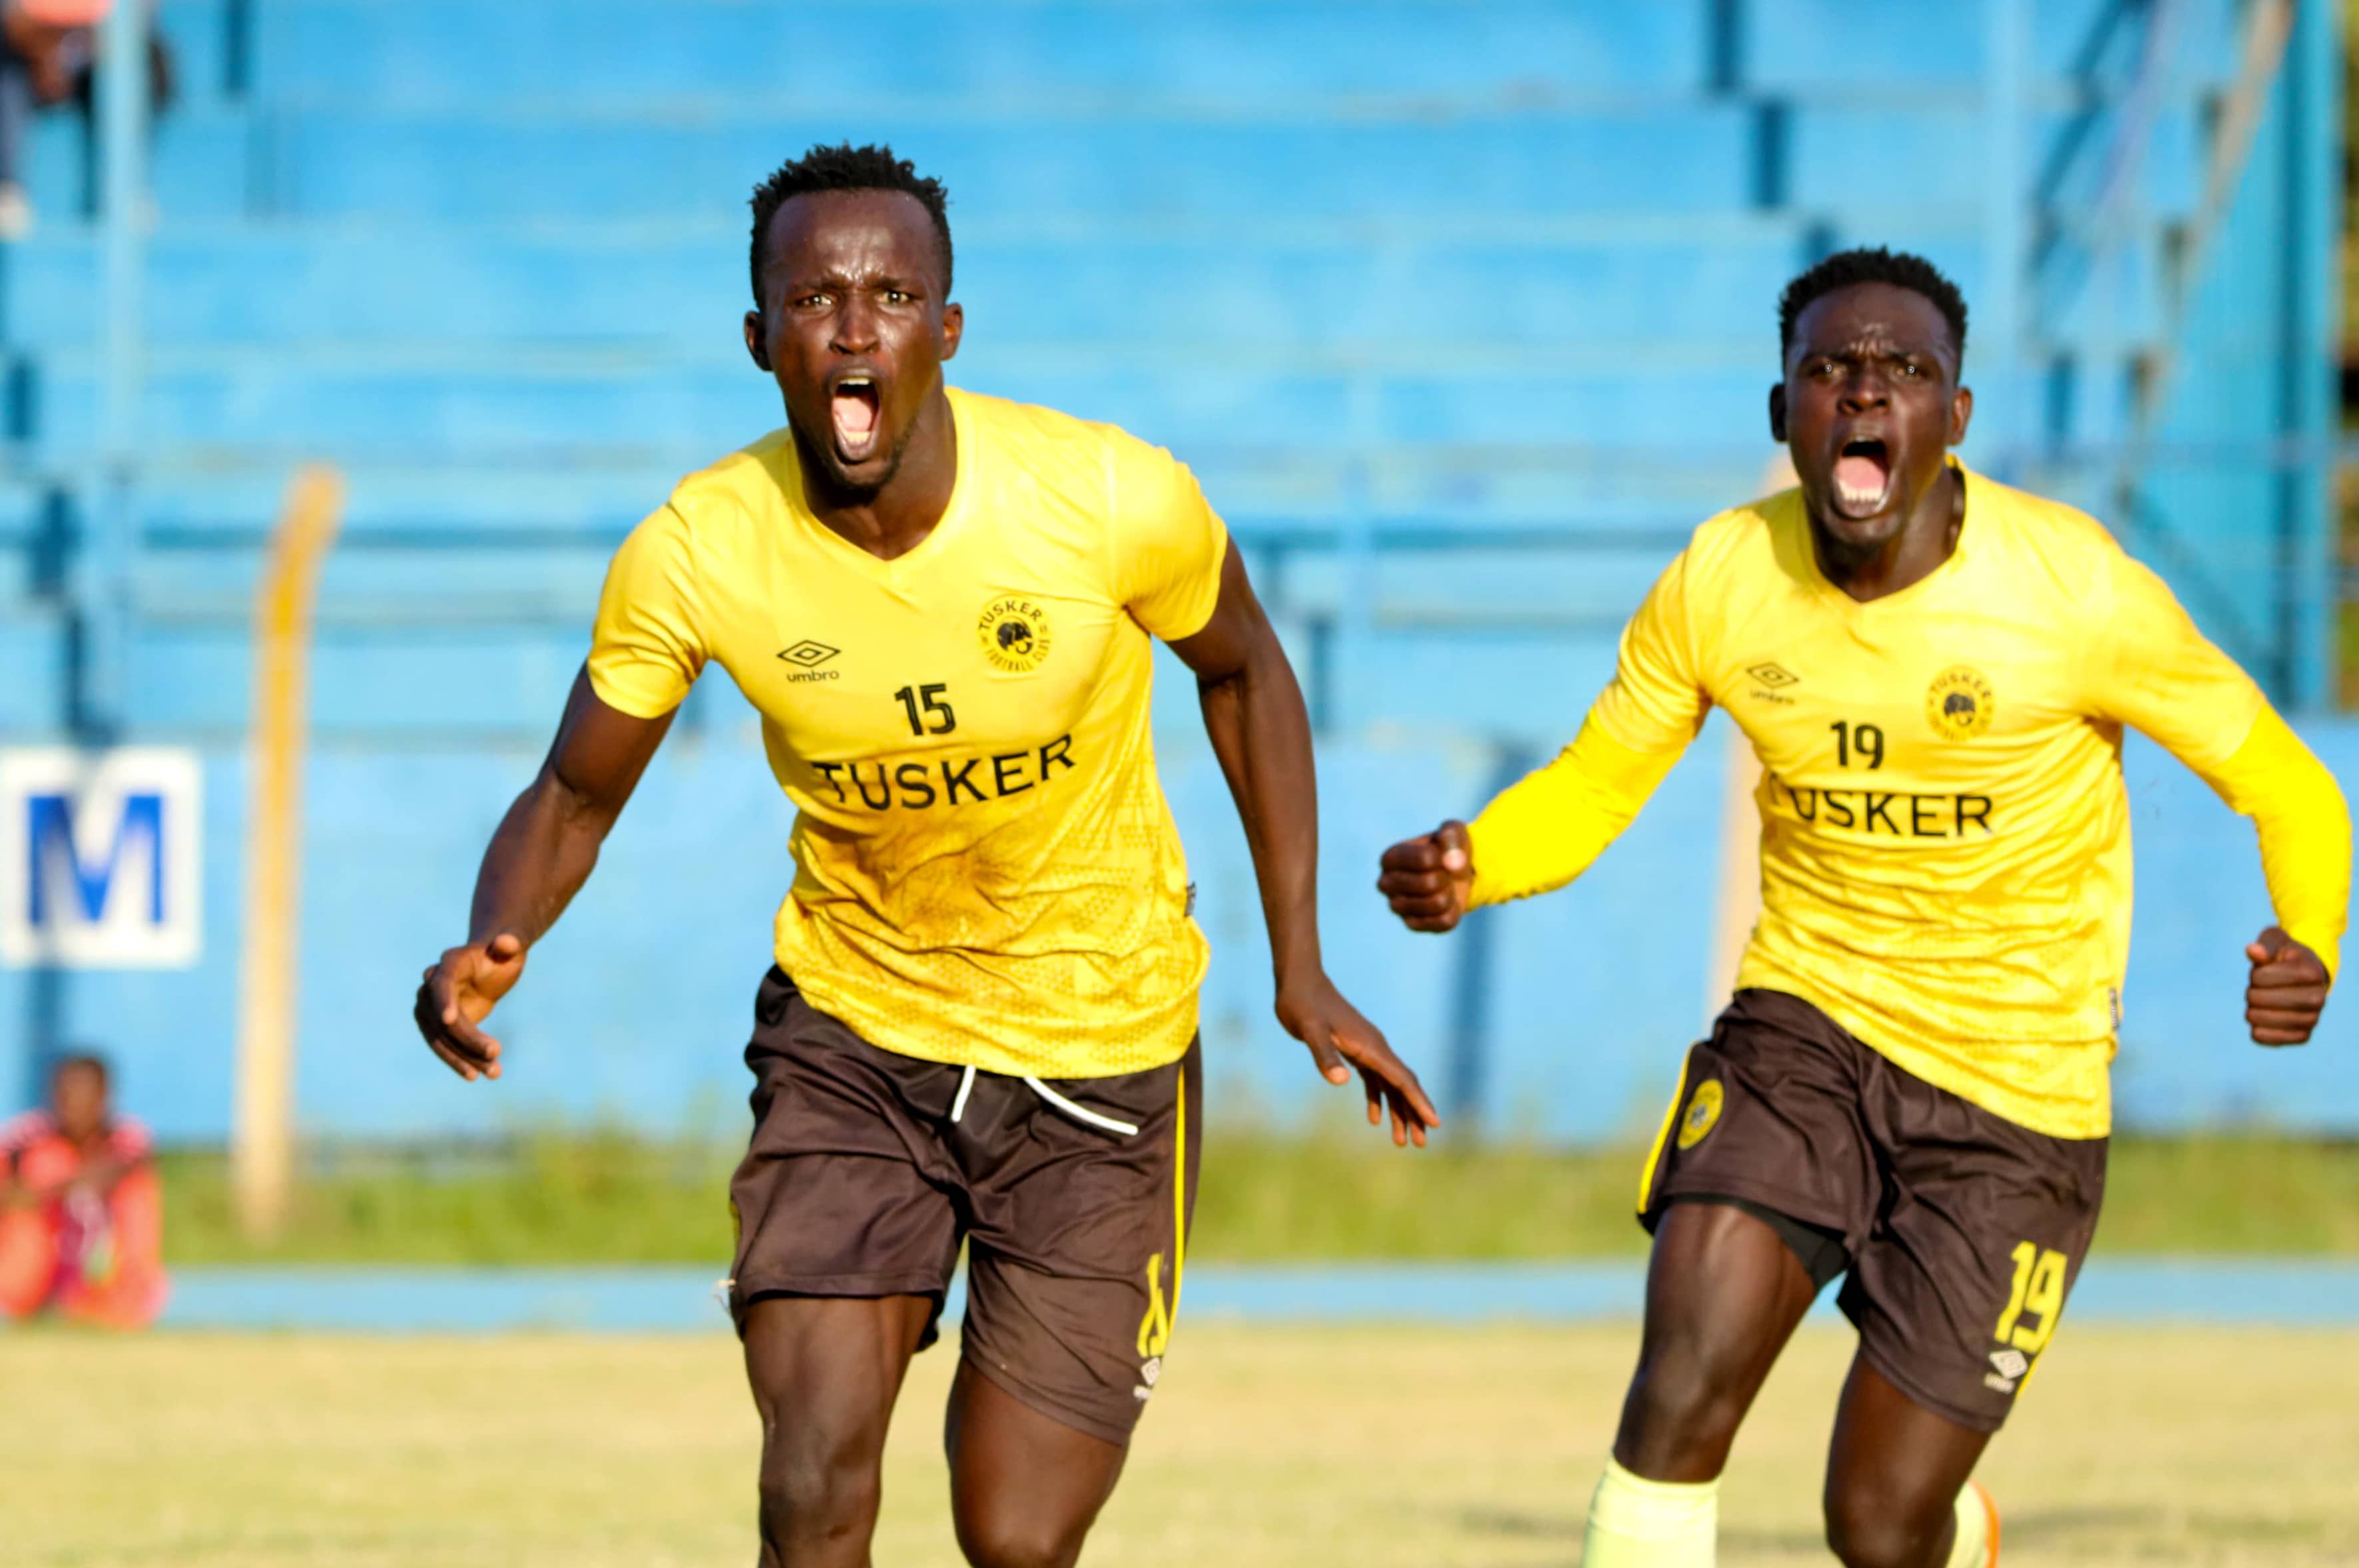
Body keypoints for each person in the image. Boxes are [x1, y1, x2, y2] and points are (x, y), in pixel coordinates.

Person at [413, 141, 1437, 1568]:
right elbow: (572, 794)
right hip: (858, 1038)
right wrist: (492, 934)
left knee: (1015, 1534)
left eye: (891, 292)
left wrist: (1302, 966)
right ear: (759, 335)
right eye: (814, 295)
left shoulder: (1105, 497)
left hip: (1101, 1054)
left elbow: (1247, 669)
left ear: (946, 329)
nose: (851, 325)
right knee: (812, 1478)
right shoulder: (699, 549)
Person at [1376, 246, 2349, 1568]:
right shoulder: (1722, 576)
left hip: (2017, 1090)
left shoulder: (2072, 590)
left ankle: (1947, 1524)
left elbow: (2288, 783)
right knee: (1680, 1375)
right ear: (1782, 414)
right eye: (1828, 369)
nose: (1862, 391)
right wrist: (1471, 860)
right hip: (1807, 1027)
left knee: (1880, 1526)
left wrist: (2308, 936)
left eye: (1902, 370)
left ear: (1954, 417)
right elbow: (1598, 779)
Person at [0, 1052, 168, 1328]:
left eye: (84, 1097)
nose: (74, 1108)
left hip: (97, 1262)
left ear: (104, 1096)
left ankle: (122, 1295)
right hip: (38, 1259)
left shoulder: (127, 1135)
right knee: (41, 1166)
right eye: (66, 1097)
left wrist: (38, 1193)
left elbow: (109, 1173)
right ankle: (20, 1294)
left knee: (136, 1190)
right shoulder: (27, 1136)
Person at [0, 0, 172, 241]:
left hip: (100, 52)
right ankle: (8, 190)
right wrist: (44, 47)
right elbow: (12, 16)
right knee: (7, 69)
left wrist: (90, 43)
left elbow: (139, 17)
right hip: (27, 52)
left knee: (147, 63)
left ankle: (125, 188)